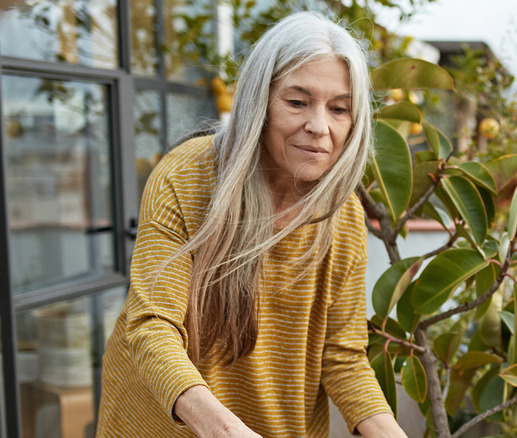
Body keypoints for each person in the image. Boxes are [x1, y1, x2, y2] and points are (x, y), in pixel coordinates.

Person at [96, 11, 408, 438]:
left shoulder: (344, 216)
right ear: (258, 100)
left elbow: (343, 357)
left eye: (339, 109)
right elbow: (152, 325)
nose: (319, 127)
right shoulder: (186, 177)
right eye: (297, 102)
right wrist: (222, 428)